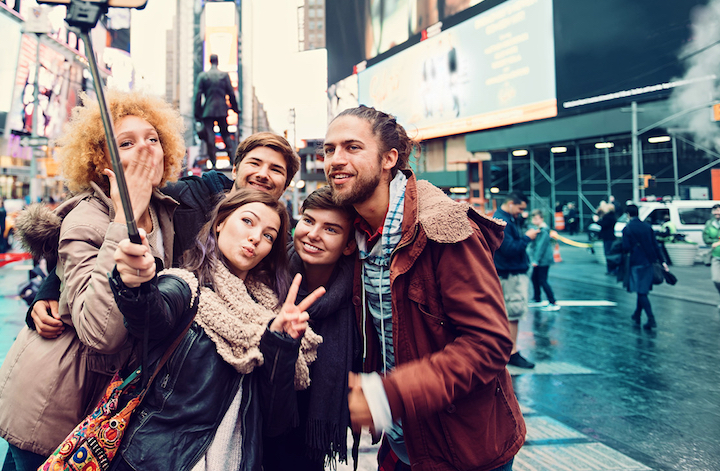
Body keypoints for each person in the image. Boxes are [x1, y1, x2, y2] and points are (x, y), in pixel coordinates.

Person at [0, 90, 185, 471]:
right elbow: (101, 332)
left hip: (105, 406)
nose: (145, 149)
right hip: (54, 405)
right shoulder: (87, 220)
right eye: (126, 143)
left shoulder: (166, 210)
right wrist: (120, 219)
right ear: (101, 160)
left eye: (153, 139)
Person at [324, 106, 524, 471]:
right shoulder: (354, 233)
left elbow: (490, 343)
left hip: (466, 449)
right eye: (329, 149)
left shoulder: (443, 227)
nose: (335, 160)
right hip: (405, 443)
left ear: (389, 159)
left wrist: (389, 394)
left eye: (352, 147)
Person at [105, 189, 320, 471]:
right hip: (154, 462)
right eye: (247, 221)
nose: (256, 237)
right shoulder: (185, 286)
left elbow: (275, 423)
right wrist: (135, 284)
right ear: (220, 222)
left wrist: (280, 342)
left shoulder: (271, 314)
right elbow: (149, 315)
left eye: (269, 235)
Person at [27, 131, 300, 339]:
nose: (263, 174)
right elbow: (110, 218)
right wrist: (51, 287)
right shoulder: (186, 195)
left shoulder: (282, 247)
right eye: (255, 163)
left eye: (276, 170)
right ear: (236, 169)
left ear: (285, 185)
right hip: (157, 334)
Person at [263, 187, 359, 470]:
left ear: (349, 245)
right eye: (308, 221)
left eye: (330, 229)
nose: (313, 234)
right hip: (259, 428)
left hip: (309, 443)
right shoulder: (268, 272)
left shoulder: (358, 295)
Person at [493, 192, 540, 369]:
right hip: (511, 274)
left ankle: (508, 351)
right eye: (520, 208)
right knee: (513, 314)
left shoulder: (505, 218)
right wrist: (528, 237)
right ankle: (511, 352)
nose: (521, 212)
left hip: (509, 273)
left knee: (509, 314)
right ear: (511, 203)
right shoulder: (503, 221)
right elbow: (510, 249)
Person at [621, 203, 668, 330]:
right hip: (649, 262)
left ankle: (651, 318)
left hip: (636, 263)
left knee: (641, 292)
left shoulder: (627, 229)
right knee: (642, 290)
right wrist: (663, 262)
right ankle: (637, 314)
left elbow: (625, 247)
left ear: (628, 214)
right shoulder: (647, 227)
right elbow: (655, 245)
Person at [194, 53, 239, 167]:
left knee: (210, 136)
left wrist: (197, 113)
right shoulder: (224, 75)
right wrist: (235, 109)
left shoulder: (203, 76)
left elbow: (197, 96)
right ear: (217, 62)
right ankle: (232, 160)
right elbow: (231, 94)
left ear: (210, 61)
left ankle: (213, 163)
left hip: (208, 110)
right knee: (226, 135)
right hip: (222, 110)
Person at [527, 209, 559, 311]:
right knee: (535, 278)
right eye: (533, 218)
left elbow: (540, 247)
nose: (534, 220)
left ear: (541, 219)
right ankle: (537, 298)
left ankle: (552, 301)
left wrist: (535, 260)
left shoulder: (544, 231)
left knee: (542, 280)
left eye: (536, 218)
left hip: (543, 260)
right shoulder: (539, 229)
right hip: (541, 259)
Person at [597, 201, 619, 275]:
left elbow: (602, 224)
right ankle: (612, 269)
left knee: (608, 253)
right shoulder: (613, 216)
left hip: (607, 237)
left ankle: (611, 269)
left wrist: (598, 219)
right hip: (611, 236)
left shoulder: (608, 217)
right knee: (610, 253)